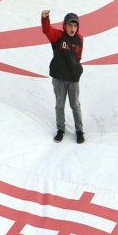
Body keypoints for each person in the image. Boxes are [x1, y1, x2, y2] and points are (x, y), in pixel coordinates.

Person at [41, 10, 84, 144]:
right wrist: (45, 19)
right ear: (64, 25)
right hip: (59, 77)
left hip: (73, 78)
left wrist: (75, 69)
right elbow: (47, 30)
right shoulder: (57, 36)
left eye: (75, 26)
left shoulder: (79, 39)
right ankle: (61, 129)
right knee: (60, 104)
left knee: (75, 105)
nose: (73, 29)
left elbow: (78, 56)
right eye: (70, 25)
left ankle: (79, 131)